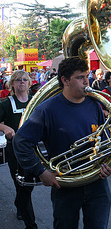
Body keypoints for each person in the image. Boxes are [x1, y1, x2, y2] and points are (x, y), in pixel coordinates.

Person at [13, 57, 111, 229]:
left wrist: (109, 163)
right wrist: (41, 172)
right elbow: (21, 142)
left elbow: (106, 139)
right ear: (65, 80)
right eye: (80, 77)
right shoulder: (46, 109)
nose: (86, 81)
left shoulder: (94, 104)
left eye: (87, 76)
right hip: (66, 185)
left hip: (97, 183)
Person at [0, 70, 37, 229]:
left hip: (34, 149)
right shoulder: (6, 103)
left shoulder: (35, 102)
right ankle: (31, 225)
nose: (21, 82)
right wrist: (4, 127)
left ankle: (19, 203)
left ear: (29, 83)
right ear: (12, 84)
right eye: (18, 80)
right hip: (14, 150)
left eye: (24, 80)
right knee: (22, 184)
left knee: (27, 185)